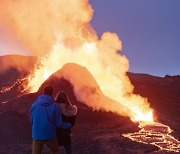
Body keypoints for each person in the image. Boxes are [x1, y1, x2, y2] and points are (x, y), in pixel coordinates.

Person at [30, 85, 71, 154]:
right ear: (52, 93)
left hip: (37, 135)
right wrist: (69, 125)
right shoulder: (55, 106)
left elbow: (31, 121)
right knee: (55, 152)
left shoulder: (34, 105)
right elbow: (59, 123)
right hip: (50, 135)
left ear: (43, 92)